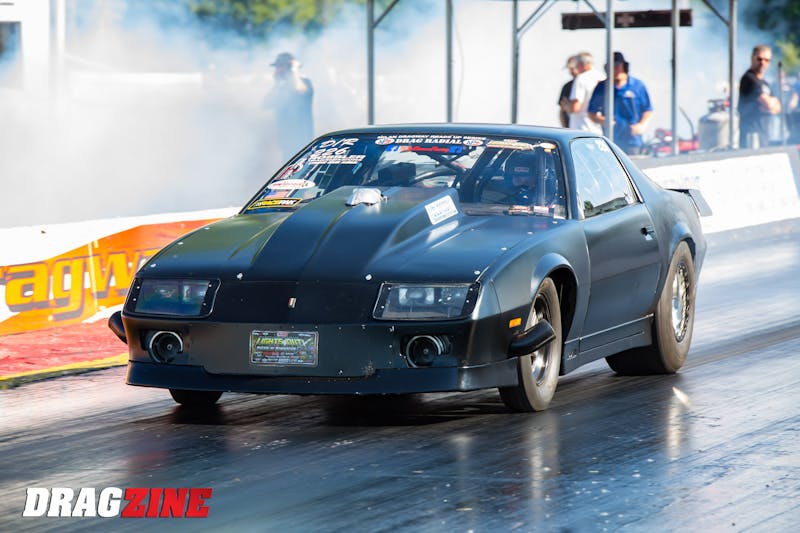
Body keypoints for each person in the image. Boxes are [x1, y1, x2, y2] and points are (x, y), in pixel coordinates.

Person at [587, 52, 653, 155]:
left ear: (624, 67)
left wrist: (642, 125)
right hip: (610, 140)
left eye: (617, 66)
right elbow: (591, 112)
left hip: (632, 140)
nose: (615, 69)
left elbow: (647, 110)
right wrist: (604, 121)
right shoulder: (602, 87)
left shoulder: (637, 86)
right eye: (612, 66)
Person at [263, 52, 314, 160]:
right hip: (286, 142)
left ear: (288, 67)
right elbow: (265, 104)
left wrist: (294, 71)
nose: (277, 70)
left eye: (279, 66)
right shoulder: (281, 87)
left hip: (303, 142)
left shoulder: (304, 81)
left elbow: (299, 89)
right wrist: (276, 83)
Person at [738, 45, 782, 149]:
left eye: (767, 60)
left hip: (763, 135)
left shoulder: (764, 83)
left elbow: (778, 107)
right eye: (759, 59)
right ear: (752, 58)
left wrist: (771, 105)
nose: (762, 63)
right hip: (751, 135)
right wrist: (770, 104)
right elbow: (768, 104)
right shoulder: (749, 78)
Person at [567, 52, 605, 133]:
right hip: (598, 130)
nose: (575, 67)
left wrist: (566, 106)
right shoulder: (602, 77)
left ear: (581, 64)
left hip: (582, 129)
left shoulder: (581, 78)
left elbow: (575, 107)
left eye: (576, 64)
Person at [557, 56, 579, 128]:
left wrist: (569, 106)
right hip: (572, 128)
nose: (571, 71)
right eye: (570, 69)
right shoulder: (567, 86)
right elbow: (562, 111)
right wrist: (566, 129)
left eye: (573, 68)